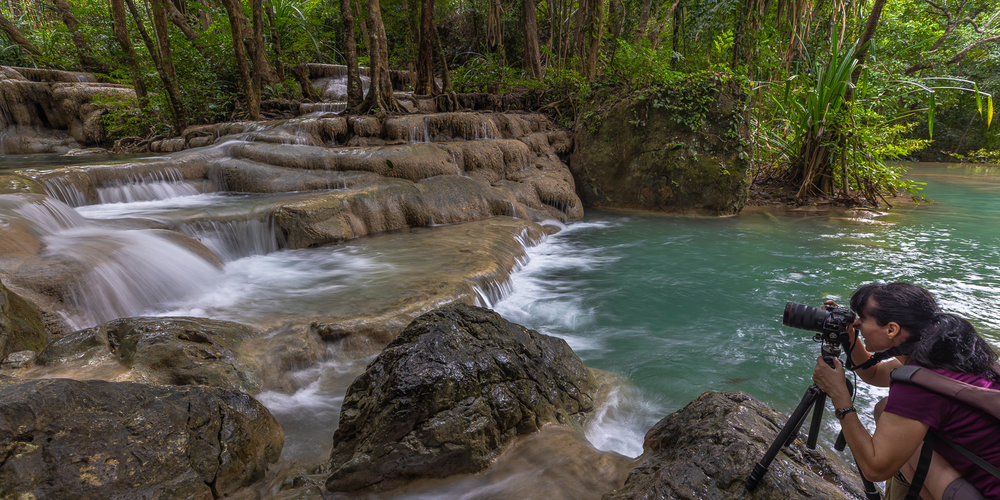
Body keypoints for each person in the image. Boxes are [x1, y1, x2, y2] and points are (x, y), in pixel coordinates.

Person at [811, 281, 1000, 500]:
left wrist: (839, 395)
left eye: (862, 319)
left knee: (890, 427)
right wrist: (849, 337)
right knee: (885, 410)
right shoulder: (949, 347)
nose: (857, 324)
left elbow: (875, 469)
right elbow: (873, 373)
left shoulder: (919, 386)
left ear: (892, 329)